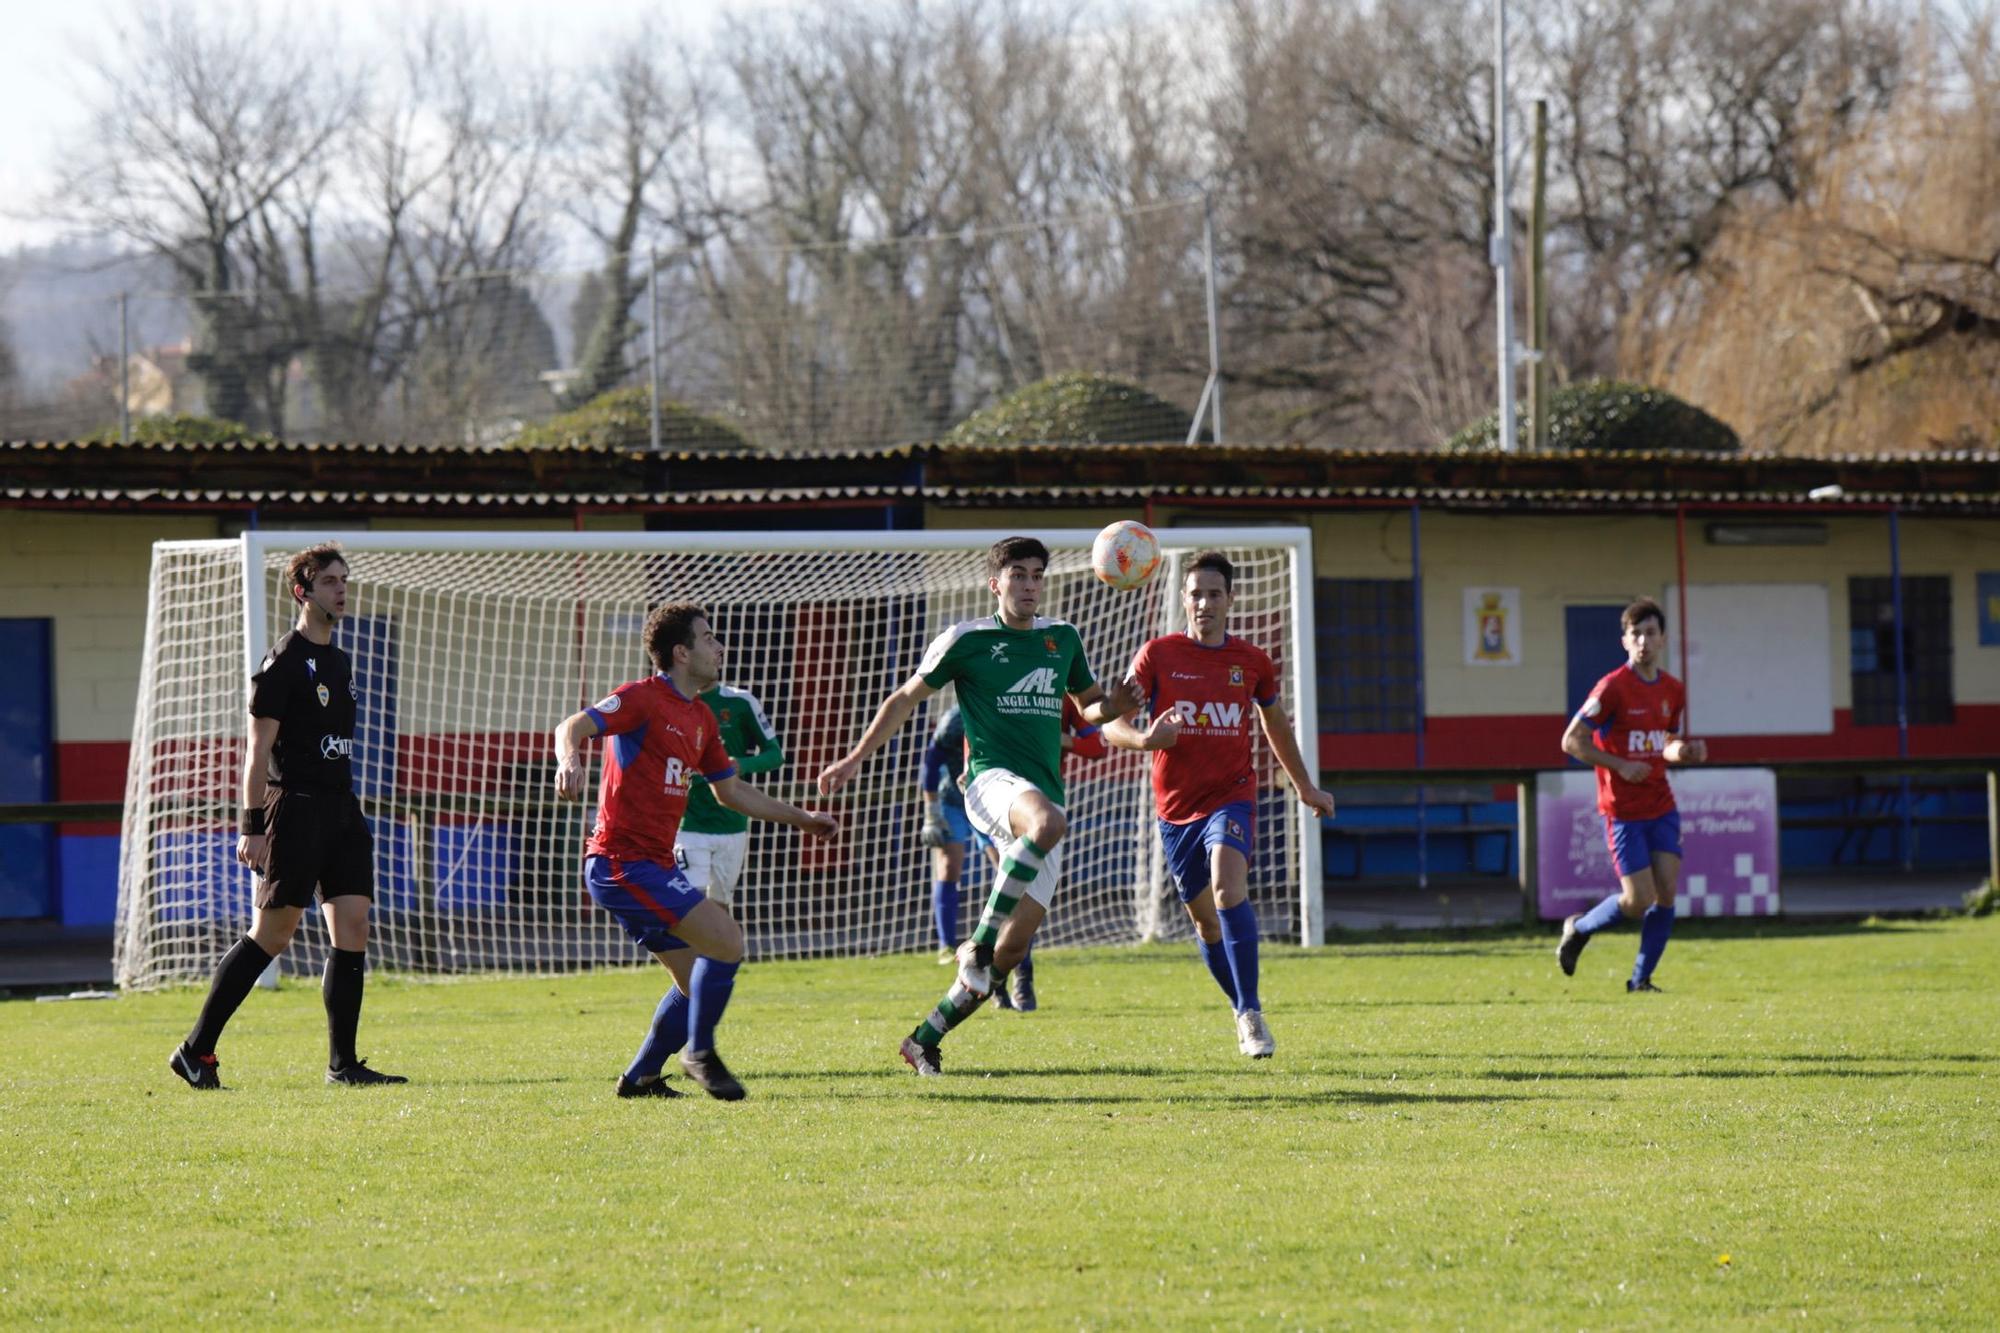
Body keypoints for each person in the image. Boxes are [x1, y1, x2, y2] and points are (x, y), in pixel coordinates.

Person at [818, 535, 1142, 1076]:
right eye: (1018, 574)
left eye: (1038, 575)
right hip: (989, 782)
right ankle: (973, 944)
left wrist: (1118, 706)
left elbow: (1089, 710)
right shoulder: (965, 640)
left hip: (1041, 792)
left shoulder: (1062, 639)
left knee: (1010, 955)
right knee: (1048, 824)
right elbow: (903, 698)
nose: (1030, 585)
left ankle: (923, 1039)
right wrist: (853, 760)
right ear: (996, 583)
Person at [553, 603, 837, 1100]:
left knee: (694, 983)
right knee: (726, 941)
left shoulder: (702, 717)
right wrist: (569, 760)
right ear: (681, 653)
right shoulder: (641, 698)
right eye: (708, 638)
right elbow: (572, 726)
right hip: (621, 863)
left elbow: (733, 792)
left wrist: (804, 819)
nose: (719, 647)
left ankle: (640, 1077)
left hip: (651, 865)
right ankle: (700, 1054)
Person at [169, 543, 405, 1090]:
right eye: (329, 582)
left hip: (341, 807)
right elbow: (256, 754)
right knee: (273, 934)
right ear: (303, 591)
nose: (341, 590)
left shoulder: (342, 661)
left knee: (354, 926)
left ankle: (343, 1066)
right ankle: (194, 1050)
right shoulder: (280, 664)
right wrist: (251, 827)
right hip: (291, 810)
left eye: (345, 580)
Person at [1104, 551, 1336, 1059]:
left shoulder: (1252, 663)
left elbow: (1276, 726)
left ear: (1230, 599)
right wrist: (1146, 739)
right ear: (1183, 600)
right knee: (1205, 923)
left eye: (1213, 593)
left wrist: (1304, 787)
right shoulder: (1158, 655)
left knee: (1230, 891)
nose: (1204, 603)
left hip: (1233, 796)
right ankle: (1240, 1009)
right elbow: (1110, 723)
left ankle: (1252, 1012)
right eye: (1195, 594)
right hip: (1174, 809)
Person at [1555, 597, 1707, 991]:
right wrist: (1620, 765)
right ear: (1624, 641)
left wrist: (1683, 751)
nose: (1643, 641)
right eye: (1635, 634)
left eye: (1650, 633)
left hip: (1661, 804)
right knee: (1638, 899)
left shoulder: (1673, 690)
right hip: (1623, 811)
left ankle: (1641, 981)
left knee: (1667, 891)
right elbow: (1571, 741)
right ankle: (1581, 927)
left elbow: (1665, 742)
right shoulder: (1612, 688)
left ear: (1663, 640)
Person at [925, 699, 1104, 1013]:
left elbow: (1096, 747)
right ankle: (989, 967)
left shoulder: (1066, 693)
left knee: (1023, 894)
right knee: (1002, 883)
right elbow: (944, 749)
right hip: (991, 799)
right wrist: (938, 803)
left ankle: (1012, 977)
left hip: (1041, 805)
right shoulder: (987, 693)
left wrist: (1056, 737)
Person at [677, 682, 785, 910]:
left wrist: (739, 765)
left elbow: (775, 754)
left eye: (716, 644)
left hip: (732, 824)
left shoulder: (741, 702)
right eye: (707, 643)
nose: (717, 651)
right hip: (686, 823)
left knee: (718, 909)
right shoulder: (671, 700)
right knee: (687, 908)